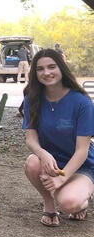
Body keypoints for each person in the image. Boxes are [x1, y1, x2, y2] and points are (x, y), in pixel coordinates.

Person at [22, 49, 94, 227]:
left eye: (51, 67)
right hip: (52, 164)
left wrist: (61, 178)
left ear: (61, 68)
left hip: (81, 166)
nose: (46, 73)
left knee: (69, 203)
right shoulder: (32, 99)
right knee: (32, 162)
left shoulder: (81, 102)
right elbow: (31, 139)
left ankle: (82, 197)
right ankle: (49, 204)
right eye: (40, 69)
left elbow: (82, 150)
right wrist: (42, 154)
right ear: (35, 73)